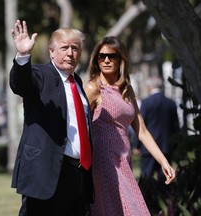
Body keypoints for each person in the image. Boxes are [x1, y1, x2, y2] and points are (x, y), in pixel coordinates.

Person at [9, 20, 94, 216]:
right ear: (51, 52)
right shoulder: (40, 74)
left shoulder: (78, 83)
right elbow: (20, 84)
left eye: (75, 48)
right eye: (64, 48)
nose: (70, 53)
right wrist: (23, 55)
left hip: (78, 176)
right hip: (46, 174)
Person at [84, 36, 176, 216]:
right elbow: (76, 121)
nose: (106, 60)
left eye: (112, 56)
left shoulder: (127, 90)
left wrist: (163, 161)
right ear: (96, 60)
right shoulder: (93, 88)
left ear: (121, 59)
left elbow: (142, 131)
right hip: (104, 162)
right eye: (101, 56)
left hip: (124, 162)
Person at [134, 76, 180, 181]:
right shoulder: (171, 103)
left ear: (149, 87)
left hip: (148, 148)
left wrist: (137, 145)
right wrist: (175, 144)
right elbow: (176, 126)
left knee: (146, 178)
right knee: (165, 177)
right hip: (166, 145)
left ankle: (149, 197)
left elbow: (140, 125)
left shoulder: (146, 103)